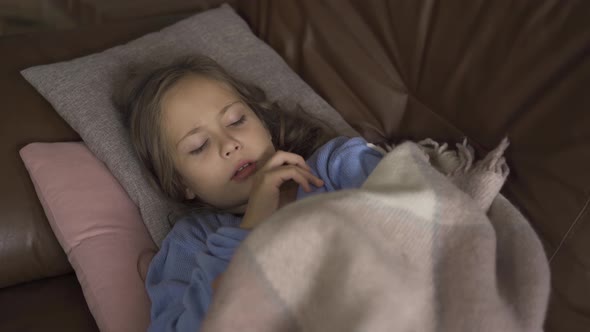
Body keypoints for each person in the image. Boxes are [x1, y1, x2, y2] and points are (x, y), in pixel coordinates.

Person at [118, 55, 384, 331]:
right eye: (198, 146)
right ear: (180, 182)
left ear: (263, 124)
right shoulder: (191, 245)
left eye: (235, 121)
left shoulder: (337, 166)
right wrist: (251, 226)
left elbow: (418, 216)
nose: (230, 144)